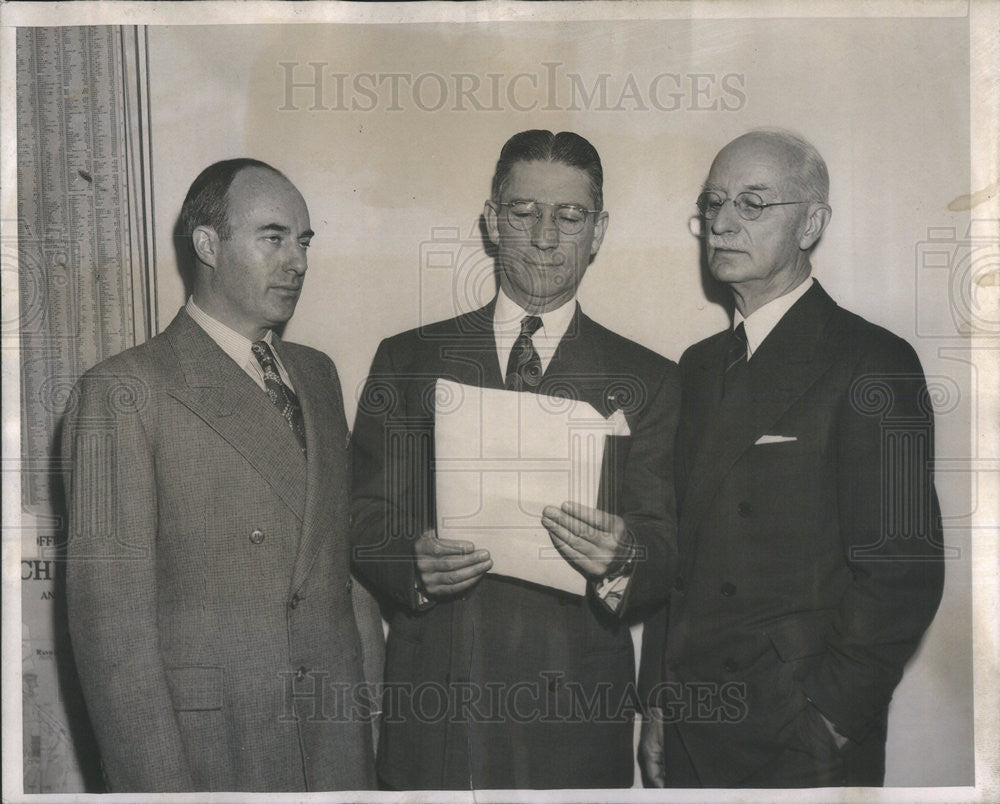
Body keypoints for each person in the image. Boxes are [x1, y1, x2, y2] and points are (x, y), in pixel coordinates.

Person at [351, 130, 680, 789]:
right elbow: (362, 515)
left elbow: (670, 546)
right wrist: (407, 562)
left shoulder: (652, 379)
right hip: (441, 701)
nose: (546, 238)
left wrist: (623, 557)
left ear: (599, 230)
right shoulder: (407, 359)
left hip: (574, 712)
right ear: (492, 221)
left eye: (570, 216)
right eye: (525, 212)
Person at [62, 159, 383, 792]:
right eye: (273, 237)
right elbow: (111, 630)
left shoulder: (316, 374)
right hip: (215, 747)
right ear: (208, 244)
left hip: (333, 740)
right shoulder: (124, 389)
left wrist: (369, 710)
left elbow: (342, 570)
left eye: (304, 240)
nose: (298, 261)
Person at [638, 129, 945, 788]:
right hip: (694, 717)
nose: (721, 223)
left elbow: (903, 571)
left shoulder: (872, 362)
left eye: (752, 204)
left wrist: (830, 716)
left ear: (811, 224)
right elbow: (679, 560)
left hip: (796, 733)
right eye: (714, 202)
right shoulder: (696, 368)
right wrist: (660, 703)